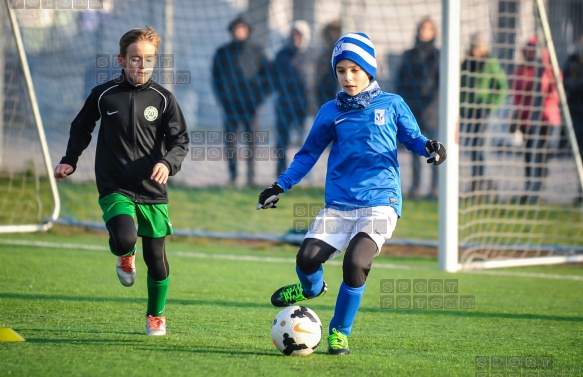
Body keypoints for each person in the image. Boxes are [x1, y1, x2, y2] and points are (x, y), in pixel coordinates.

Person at [256, 32, 446, 355]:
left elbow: (413, 138)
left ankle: (339, 332)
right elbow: (307, 154)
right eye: (341, 70)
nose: (348, 77)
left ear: (369, 70)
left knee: (356, 263)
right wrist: (280, 185)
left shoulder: (392, 104)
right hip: (340, 206)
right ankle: (310, 288)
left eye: (355, 70)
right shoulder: (330, 112)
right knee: (305, 260)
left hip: (380, 203)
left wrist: (429, 146)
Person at [54, 27, 189, 336]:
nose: (141, 66)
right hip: (115, 185)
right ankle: (124, 255)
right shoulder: (104, 94)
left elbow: (180, 141)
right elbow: (81, 127)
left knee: (157, 260)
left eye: (149, 60)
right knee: (126, 238)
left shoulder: (164, 99)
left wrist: (168, 164)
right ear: (122, 60)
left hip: (152, 190)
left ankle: (155, 315)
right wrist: (69, 160)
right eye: (135, 59)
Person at [211, 15, 270, 186]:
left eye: (242, 29)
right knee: (230, 142)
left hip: (251, 107)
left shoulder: (257, 52)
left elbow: (268, 77)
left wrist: (259, 99)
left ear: (248, 31)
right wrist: (222, 100)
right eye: (236, 29)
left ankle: (251, 178)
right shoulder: (222, 53)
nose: (239, 32)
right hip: (230, 107)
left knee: (251, 142)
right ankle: (233, 176)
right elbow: (216, 79)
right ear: (231, 31)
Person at [510, 36, 561, 204]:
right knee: (528, 153)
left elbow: (555, 91)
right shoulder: (522, 70)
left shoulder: (548, 69)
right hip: (527, 120)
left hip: (545, 119)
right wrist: (519, 112)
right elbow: (517, 94)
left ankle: (537, 189)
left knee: (540, 153)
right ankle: (530, 187)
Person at [396, 17, 440, 199]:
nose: (424, 32)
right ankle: (415, 186)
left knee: (435, 149)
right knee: (414, 148)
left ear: (434, 32)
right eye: (422, 28)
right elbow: (400, 80)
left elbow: (441, 83)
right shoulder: (409, 54)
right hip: (413, 109)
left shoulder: (439, 55)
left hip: (432, 111)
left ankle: (435, 188)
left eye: (428, 29)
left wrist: (433, 104)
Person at [460, 32, 508, 193]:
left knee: (482, 148)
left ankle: (487, 185)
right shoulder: (466, 63)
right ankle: (475, 183)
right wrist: (461, 107)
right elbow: (460, 86)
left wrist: (491, 105)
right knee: (472, 148)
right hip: (469, 112)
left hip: (484, 112)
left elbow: (503, 87)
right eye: (474, 48)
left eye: (478, 47)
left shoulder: (490, 63)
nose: (476, 51)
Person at [270, 20, 314, 177]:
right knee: (282, 141)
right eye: (293, 34)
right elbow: (272, 78)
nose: (296, 38)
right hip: (284, 104)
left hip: (304, 105)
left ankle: (303, 174)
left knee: (306, 142)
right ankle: (280, 173)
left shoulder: (311, 56)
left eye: (299, 35)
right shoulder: (282, 55)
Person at [563, 35, 583, 202]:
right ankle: (580, 190)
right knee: (578, 153)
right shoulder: (572, 60)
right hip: (575, 113)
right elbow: (563, 78)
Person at [315, 20, 342, 108]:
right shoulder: (324, 56)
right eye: (332, 32)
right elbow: (317, 80)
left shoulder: (346, 55)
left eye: (336, 32)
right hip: (325, 98)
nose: (333, 35)